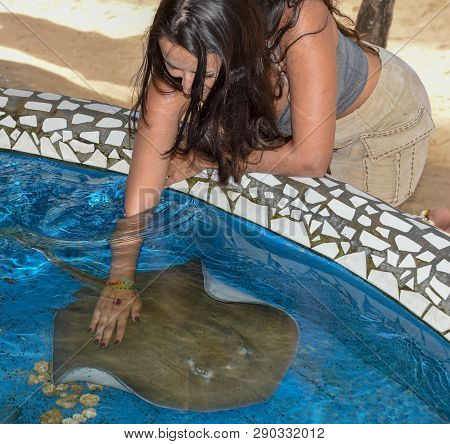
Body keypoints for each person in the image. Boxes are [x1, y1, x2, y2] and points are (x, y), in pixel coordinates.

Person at [88, 0, 446, 348]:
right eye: (174, 69)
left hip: (376, 125)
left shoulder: (300, 20)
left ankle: (430, 228)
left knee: (356, 264)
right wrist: (119, 283)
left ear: (239, 54)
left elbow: (309, 160)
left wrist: (206, 159)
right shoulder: (184, 42)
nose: (186, 89)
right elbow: (142, 190)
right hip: (302, 127)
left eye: (206, 75)